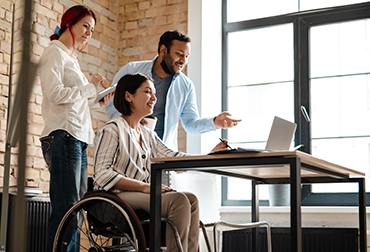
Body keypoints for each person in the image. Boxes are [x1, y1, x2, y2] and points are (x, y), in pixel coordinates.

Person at [93, 73, 228, 252]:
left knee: (192, 200)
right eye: (148, 92)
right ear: (128, 96)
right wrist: (143, 187)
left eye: (154, 93)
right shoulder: (112, 130)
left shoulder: (148, 134)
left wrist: (208, 156)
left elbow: (173, 157)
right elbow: (102, 174)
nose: (154, 98)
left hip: (142, 195)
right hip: (117, 196)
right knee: (178, 200)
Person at [38, 5, 112, 252]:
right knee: (67, 209)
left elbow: (76, 100)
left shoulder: (70, 57)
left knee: (75, 208)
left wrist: (97, 97)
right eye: (85, 26)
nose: (89, 33)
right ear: (69, 23)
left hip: (77, 137)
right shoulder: (54, 53)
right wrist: (90, 88)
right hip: (63, 135)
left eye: (92, 29)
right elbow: (55, 94)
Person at [105, 30, 241, 150]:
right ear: (163, 50)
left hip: (162, 154)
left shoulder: (186, 85)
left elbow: (190, 124)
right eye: (180, 54)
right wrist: (131, 122)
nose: (183, 60)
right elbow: (111, 104)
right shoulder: (131, 70)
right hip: (128, 147)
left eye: (187, 56)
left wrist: (214, 122)